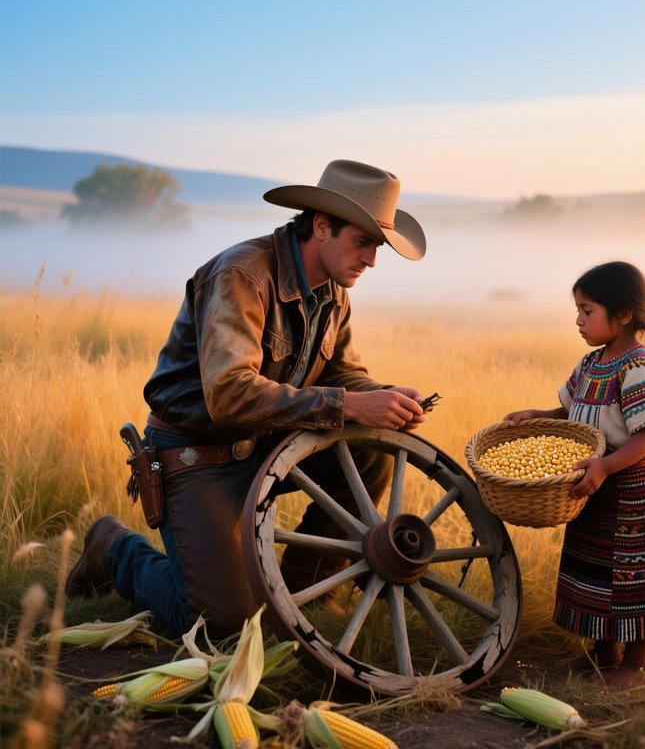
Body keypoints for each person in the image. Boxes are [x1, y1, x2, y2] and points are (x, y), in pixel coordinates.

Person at [66, 159, 430, 637]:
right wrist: (346, 405)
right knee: (219, 624)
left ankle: (312, 590)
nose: (372, 260)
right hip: (200, 457)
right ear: (321, 226)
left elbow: (342, 371)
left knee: (371, 452)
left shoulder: (333, 292)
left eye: (377, 246)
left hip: (267, 448)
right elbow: (229, 394)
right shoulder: (243, 275)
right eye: (364, 242)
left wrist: (383, 396)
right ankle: (112, 549)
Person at [504, 261, 645, 688]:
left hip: (631, 488)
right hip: (593, 485)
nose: (578, 320)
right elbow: (570, 411)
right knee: (595, 570)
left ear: (622, 315)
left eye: (587, 310)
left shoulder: (637, 366)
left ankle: (637, 666)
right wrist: (538, 414)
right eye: (578, 310)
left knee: (632, 576)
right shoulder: (591, 363)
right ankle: (605, 655)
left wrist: (606, 465)